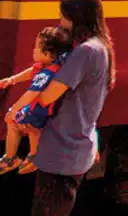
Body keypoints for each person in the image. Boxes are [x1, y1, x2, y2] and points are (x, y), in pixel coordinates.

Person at [29, 0, 115, 216]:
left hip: (61, 152)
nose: (61, 22)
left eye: (63, 16)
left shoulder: (85, 51)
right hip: (77, 147)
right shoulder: (102, 47)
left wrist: (40, 74)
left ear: (77, 17)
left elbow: (47, 96)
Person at [0, 27, 73, 174]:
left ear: (47, 54)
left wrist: (14, 110)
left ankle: (10, 158)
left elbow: (31, 94)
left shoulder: (45, 74)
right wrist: (13, 79)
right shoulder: (52, 66)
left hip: (38, 109)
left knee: (13, 122)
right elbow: (31, 72)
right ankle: (34, 156)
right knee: (33, 129)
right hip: (42, 109)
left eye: (36, 48)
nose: (33, 50)